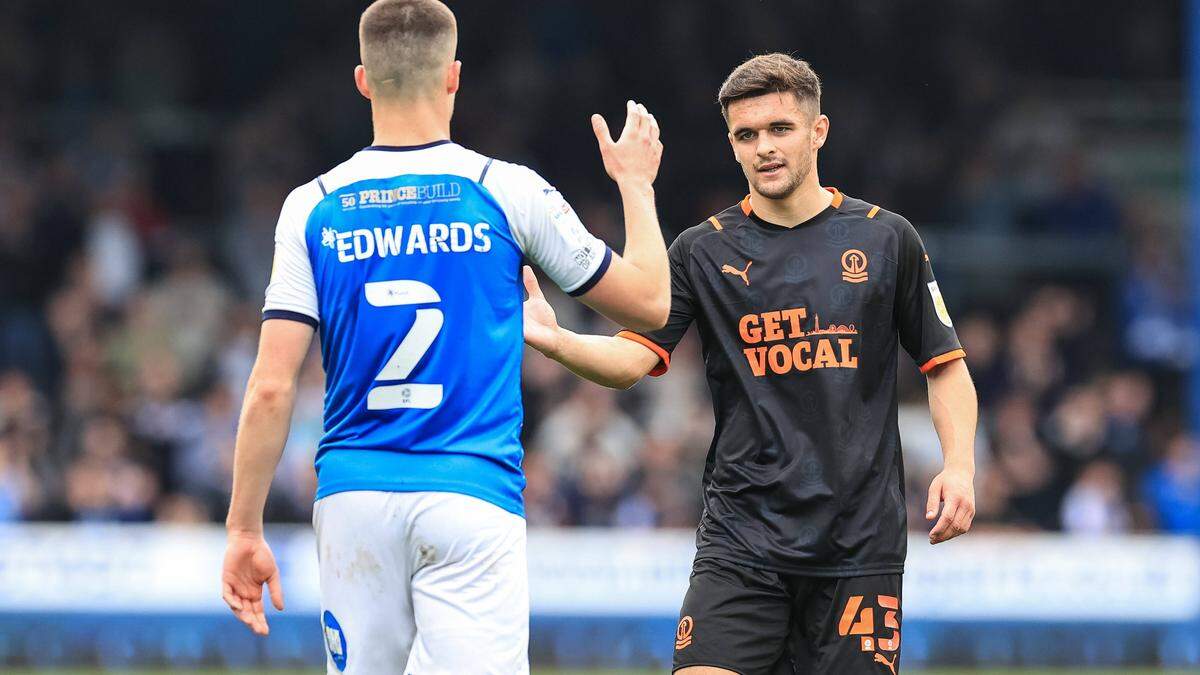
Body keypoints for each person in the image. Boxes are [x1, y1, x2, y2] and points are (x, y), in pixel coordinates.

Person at [219, 0, 669, 672]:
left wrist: (244, 527)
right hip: (469, 493)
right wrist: (635, 184)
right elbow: (651, 304)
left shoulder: (311, 204)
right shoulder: (506, 190)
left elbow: (271, 386)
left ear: (363, 80)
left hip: (354, 497)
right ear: (454, 77)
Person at [522, 53, 978, 675]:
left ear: (817, 132)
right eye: (746, 135)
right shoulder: (702, 250)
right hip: (742, 540)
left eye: (779, 130)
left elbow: (945, 364)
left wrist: (959, 466)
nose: (763, 148)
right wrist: (558, 342)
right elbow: (633, 358)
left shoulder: (886, 238)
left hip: (857, 546)